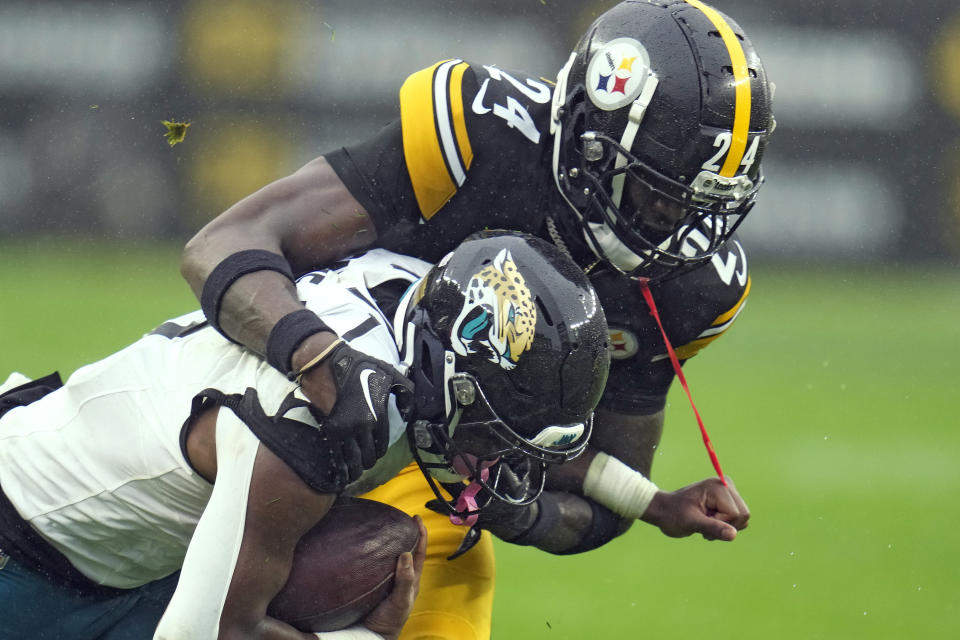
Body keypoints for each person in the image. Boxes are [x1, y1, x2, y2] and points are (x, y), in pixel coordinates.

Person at [179, 0, 770, 637]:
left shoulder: (690, 287)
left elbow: (599, 496)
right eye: (660, 192)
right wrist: (323, 361)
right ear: (591, 145)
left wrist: (516, 512)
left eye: (701, 204)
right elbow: (226, 242)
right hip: (284, 420)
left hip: (426, 484)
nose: (679, 230)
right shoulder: (483, 135)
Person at [0, 232, 611, 639]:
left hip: (122, 554)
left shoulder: (415, 295)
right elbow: (205, 635)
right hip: (25, 550)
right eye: (492, 431)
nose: (494, 463)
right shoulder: (319, 425)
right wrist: (361, 638)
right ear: (448, 369)